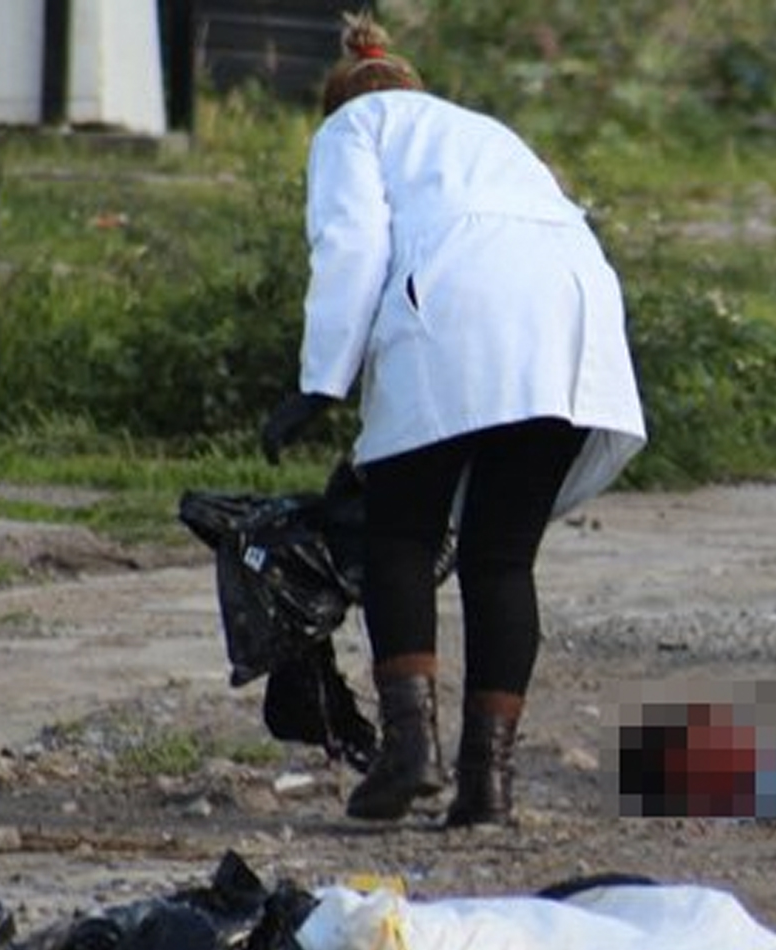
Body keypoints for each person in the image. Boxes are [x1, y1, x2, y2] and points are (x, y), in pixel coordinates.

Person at [262, 12, 646, 827]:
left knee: (400, 533)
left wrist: (319, 383)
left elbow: (353, 245)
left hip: (460, 307)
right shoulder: (481, 130)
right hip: (573, 314)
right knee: (501, 559)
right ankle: (488, 787)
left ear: (343, 103)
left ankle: (410, 755)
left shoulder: (350, 129)